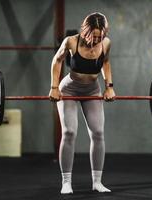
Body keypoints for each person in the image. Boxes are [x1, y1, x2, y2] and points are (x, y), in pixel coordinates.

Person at [49, 12, 115, 194]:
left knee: (98, 133)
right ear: (85, 31)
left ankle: (97, 182)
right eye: (92, 36)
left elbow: (106, 63)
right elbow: (57, 61)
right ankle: (66, 182)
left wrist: (109, 86)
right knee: (69, 132)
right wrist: (54, 87)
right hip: (68, 89)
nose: (95, 40)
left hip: (92, 90)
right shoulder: (71, 41)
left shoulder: (106, 43)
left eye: (99, 37)